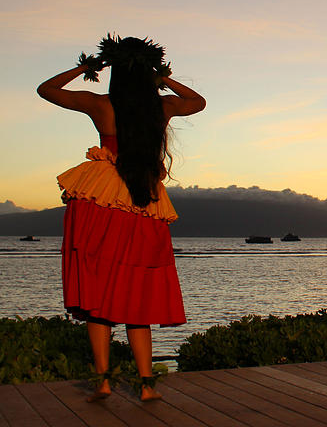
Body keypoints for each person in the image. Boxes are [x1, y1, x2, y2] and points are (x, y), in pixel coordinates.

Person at [37, 35, 205, 401]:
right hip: (143, 200)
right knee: (136, 293)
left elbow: (46, 89)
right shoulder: (159, 109)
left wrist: (85, 68)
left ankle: (103, 381)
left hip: (101, 198)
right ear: (147, 74)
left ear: (114, 71)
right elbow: (198, 102)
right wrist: (164, 80)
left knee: (99, 293)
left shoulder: (101, 105)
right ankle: (145, 386)